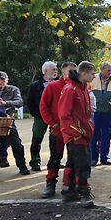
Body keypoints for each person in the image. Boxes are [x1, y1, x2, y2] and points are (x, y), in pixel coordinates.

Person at [58, 61, 98, 208]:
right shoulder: (70, 89)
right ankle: (83, 192)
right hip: (76, 134)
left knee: (74, 162)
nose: (94, 76)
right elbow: (64, 115)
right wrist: (77, 132)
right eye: (92, 73)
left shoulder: (83, 89)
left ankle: (69, 192)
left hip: (83, 133)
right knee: (82, 163)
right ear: (84, 73)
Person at [39, 61, 79, 197]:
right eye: (70, 72)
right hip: (57, 129)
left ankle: (68, 185)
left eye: (75, 72)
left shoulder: (78, 87)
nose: (73, 74)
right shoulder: (53, 86)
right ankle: (50, 183)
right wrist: (52, 123)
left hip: (73, 130)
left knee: (73, 157)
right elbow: (43, 106)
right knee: (55, 157)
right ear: (63, 72)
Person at [0, 71, 30, 175]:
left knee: (16, 143)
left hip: (7, 120)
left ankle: (22, 166)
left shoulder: (13, 89)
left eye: (3, 79)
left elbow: (19, 102)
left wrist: (5, 103)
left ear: (7, 80)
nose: (1, 81)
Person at [27, 61, 58, 172]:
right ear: (45, 71)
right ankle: (35, 161)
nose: (55, 71)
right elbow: (29, 101)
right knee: (37, 140)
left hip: (56, 117)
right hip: (40, 117)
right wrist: (35, 113)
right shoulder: (35, 85)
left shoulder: (60, 83)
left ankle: (55, 160)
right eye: (53, 69)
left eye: (56, 69)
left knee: (55, 140)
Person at [89, 61, 111, 166]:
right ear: (102, 70)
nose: (110, 72)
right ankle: (93, 158)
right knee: (94, 135)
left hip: (107, 112)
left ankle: (104, 157)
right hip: (95, 112)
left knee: (106, 135)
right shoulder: (93, 79)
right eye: (108, 70)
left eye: (110, 70)